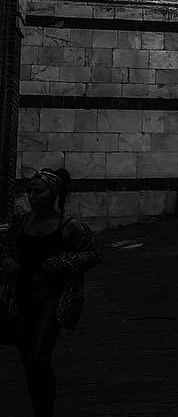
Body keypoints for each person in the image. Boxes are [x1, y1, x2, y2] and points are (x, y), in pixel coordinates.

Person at [0, 167, 101, 417]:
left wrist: (64, 262)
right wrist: (8, 262)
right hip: (22, 297)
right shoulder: (21, 222)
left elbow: (92, 254)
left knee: (39, 357)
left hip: (51, 298)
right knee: (28, 362)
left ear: (53, 193)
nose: (33, 197)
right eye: (30, 191)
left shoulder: (68, 225)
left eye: (39, 192)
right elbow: (8, 248)